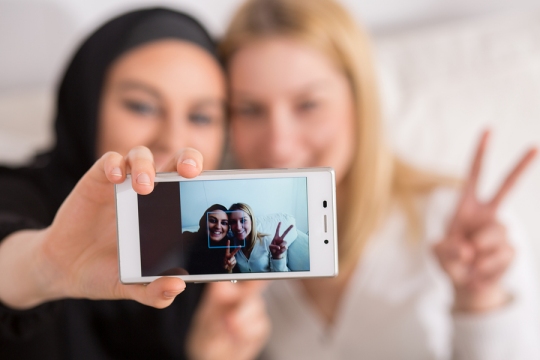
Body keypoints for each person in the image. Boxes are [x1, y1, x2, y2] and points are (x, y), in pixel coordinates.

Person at [220, 0, 540, 358]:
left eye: (308, 104)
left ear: (359, 100)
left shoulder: (457, 226)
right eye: (249, 109)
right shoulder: (232, 254)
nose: (279, 145)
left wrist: (479, 299)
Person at [0, 8, 268, 359]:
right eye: (141, 106)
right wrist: (44, 266)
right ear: (87, 102)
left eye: (202, 116)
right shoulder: (17, 195)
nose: (172, 139)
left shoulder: (217, 255)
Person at [228, 203, 293, 273]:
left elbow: (282, 277)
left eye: (243, 221)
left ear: (252, 221)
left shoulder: (269, 242)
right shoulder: (230, 244)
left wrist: (277, 257)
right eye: (233, 222)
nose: (238, 227)